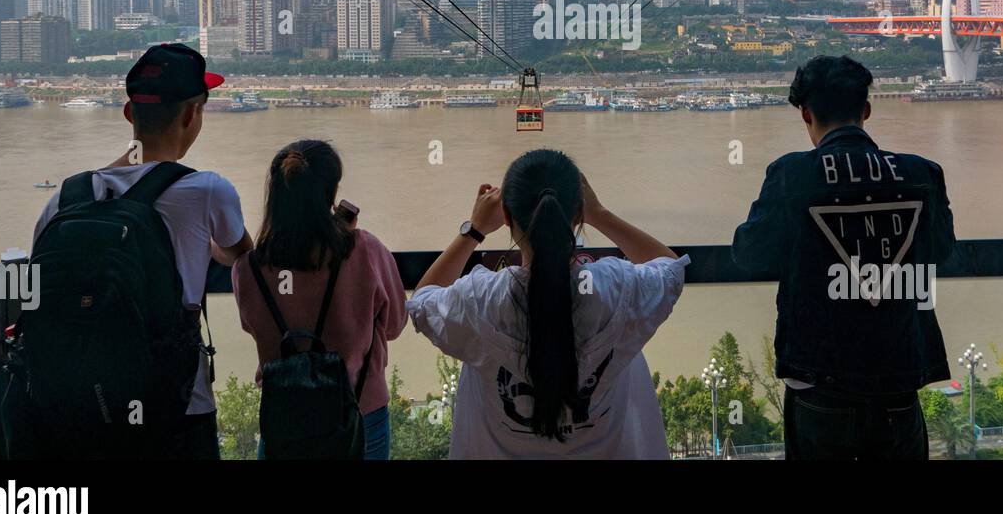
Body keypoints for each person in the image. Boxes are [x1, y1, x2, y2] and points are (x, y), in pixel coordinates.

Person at [30, 43, 253, 458]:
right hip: (177, 411)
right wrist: (201, 250)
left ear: (130, 114)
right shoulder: (207, 191)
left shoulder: (65, 198)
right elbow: (242, 255)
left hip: (76, 412)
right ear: (192, 115)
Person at [732, 55, 956, 460]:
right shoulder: (922, 173)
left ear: (805, 113)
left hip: (820, 379)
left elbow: (750, 255)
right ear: (866, 110)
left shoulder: (791, 174)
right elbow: (940, 251)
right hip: (899, 377)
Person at [406, 149, 688, 458]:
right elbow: (670, 269)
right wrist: (599, 214)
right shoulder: (615, 289)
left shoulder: (481, 299)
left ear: (507, 217)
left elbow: (421, 302)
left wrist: (473, 231)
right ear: (577, 214)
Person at [233, 139, 406, 459]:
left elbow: (251, 325)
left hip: (286, 420)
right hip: (359, 413)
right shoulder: (365, 250)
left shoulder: (249, 268)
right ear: (332, 192)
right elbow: (395, 325)